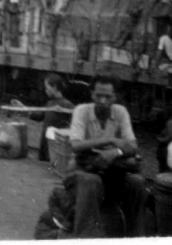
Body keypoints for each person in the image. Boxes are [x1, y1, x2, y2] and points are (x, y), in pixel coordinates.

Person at [68, 75, 148, 237]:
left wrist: (114, 152)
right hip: (82, 170)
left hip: (111, 172)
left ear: (115, 97)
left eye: (108, 96)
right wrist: (110, 140)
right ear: (91, 95)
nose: (103, 100)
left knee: (137, 182)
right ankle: (85, 237)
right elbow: (75, 145)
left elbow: (132, 145)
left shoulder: (121, 112)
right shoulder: (81, 111)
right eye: (99, 95)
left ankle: (135, 237)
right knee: (91, 181)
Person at [11, 73, 74, 163]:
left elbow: (75, 121)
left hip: (54, 147)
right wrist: (23, 108)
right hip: (44, 145)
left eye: (47, 87)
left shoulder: (66, 104)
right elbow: (40, 117)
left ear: (55, 87)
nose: (45, 90)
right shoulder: (50, 103)